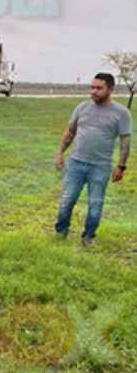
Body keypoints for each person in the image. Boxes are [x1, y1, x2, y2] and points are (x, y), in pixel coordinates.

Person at [54, 73, 131, 246]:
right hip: (76, 163)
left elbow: (125, 141)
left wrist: (121, 166)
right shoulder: (82, 108)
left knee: (95, 204)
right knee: (67, 200)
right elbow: (70, 132)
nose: (93, 91)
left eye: (99, 88)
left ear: (111, 89)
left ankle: (88, 236)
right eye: (92, 87)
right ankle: (61, 232)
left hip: (101, 166)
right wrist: (60, 153)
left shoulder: (122, 113)